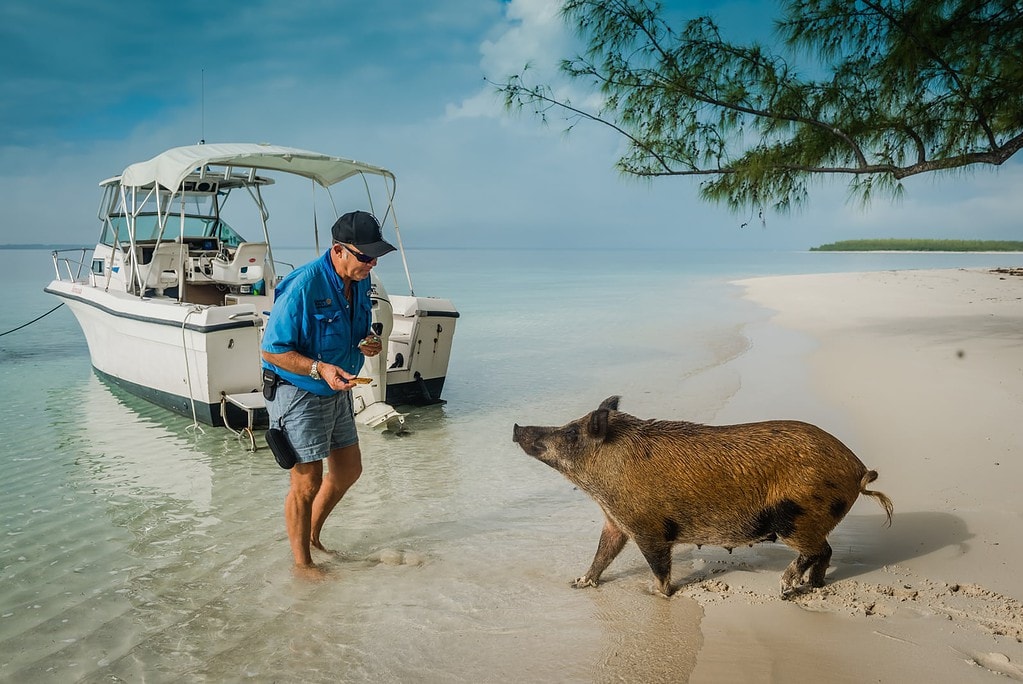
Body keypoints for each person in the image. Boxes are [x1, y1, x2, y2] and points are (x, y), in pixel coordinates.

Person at [260, 210, 396, 573]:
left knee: (349, 469)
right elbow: (271, 349)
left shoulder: (360, 281)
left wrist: (368, 342)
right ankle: (302, 567)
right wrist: (319, 368)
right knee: (306, 481)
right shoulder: (303, 285)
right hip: (297, 391)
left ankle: (312, 537)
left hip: (339, 388)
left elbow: (359, 329)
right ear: (339, 250)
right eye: (365, 256)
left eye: (376, 256)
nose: (372, 263)